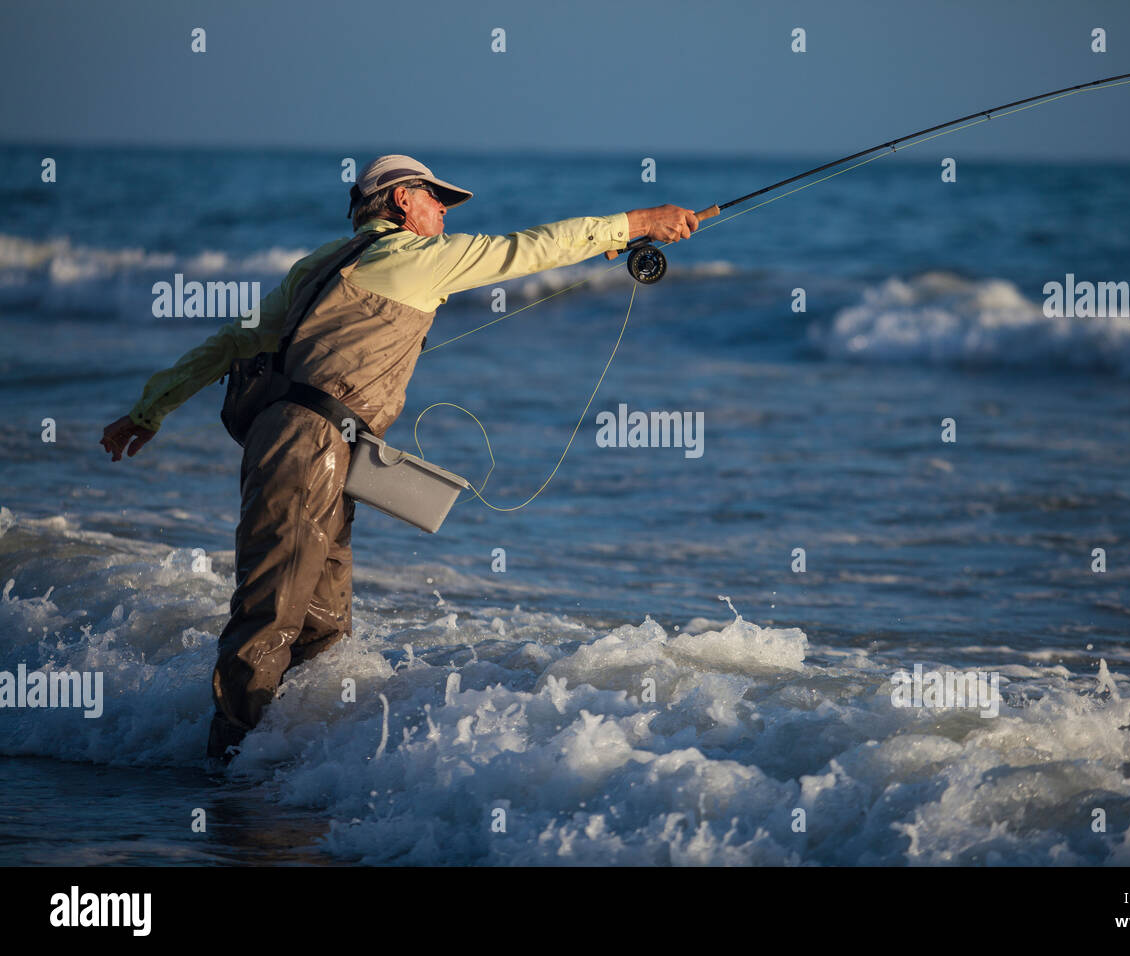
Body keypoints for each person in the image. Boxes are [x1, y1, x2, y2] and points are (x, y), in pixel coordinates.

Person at [99, 154, 700, 761]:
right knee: (273, 607)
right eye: (434, 197)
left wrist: (149, 410)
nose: (443, 209)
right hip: (310, 445)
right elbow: (531, 247)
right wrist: (642, 219)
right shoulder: (413, 259)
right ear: (400, 200)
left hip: (298, 440)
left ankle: (287, 763)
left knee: (322, 620)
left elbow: (230, 341)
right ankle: (229, 767)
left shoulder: (318, 265)